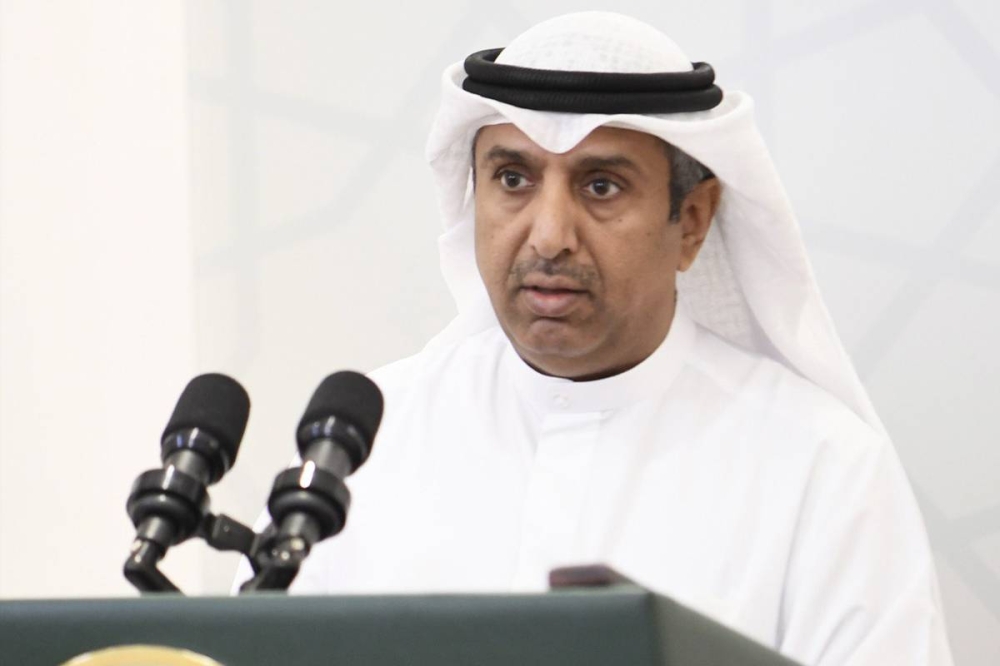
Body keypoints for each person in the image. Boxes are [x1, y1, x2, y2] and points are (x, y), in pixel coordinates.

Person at [263, 12, 954, 665]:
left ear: (691, 220)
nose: (549, 236)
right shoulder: (366, 439)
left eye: (600, 186)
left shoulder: (823, 468)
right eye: (512, 179)